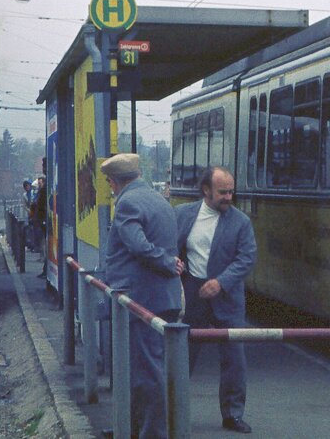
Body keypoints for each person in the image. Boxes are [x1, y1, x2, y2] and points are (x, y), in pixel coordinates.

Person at [101, 152, 182, 439]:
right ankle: (132, 427)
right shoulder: (158, 199)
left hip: (142, 299)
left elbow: (138, 245)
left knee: (145, 374)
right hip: (161, 297)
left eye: (110, 184)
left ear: (114, 182)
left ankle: (151, 433)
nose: (111, 189)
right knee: (146, 370)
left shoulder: (128, 203)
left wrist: (166, 262)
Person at [174, 166, 257, 434]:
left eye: (231, 191)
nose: (229, 197)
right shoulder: (183, 215)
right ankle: (173, 409)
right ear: (206, 190)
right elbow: (169, 246)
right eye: (223, 192)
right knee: (182, 354)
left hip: (227, 296)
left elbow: (246, 258)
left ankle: (233, 414)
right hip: (193, 293)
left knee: (234, 357)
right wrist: (171, 261)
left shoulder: (240, 222)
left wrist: (221, 282)